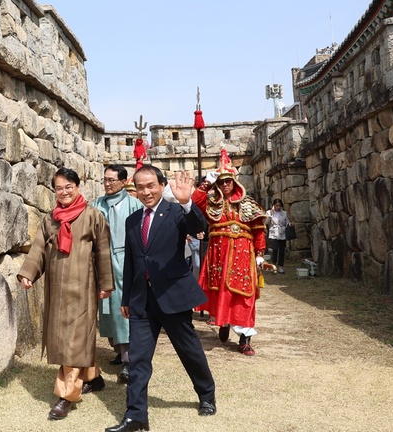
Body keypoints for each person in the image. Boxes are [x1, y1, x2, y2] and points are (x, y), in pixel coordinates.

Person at [105, 166, 216, 432]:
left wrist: (187, 201)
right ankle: (136, 417)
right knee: (138, 359)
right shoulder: (133, 220)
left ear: (161, 185)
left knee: (189, 350)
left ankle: (206, 394)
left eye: (151, 186)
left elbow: (200, 228)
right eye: (141, 187)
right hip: (142, 300)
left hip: (173, 296)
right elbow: (132, 260)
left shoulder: (176, 211)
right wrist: (127, 297)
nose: (146, 192)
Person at [17, 167, 114, 421]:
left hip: (84, 287)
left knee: (74, 337)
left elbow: (104, 251)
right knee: (67, 335)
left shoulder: (94, 216)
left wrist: (106, 283)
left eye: (68, 187)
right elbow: (38, 249)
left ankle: (66, 395)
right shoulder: (50, 219)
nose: (64, 192)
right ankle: (93, 376)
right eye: (59, 188)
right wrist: (29, 273)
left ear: (77, 187)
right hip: (57, 289)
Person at [192, 149, 267, 356]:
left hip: (243, 255)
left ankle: (245, 339)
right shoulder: (212, 203)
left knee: (244, 294)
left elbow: (258, 230)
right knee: (219, 291)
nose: (225, 185)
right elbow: (194, 199)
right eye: (221, 181)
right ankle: (223, 321)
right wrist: (207, 181)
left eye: (228, 181)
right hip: (218, 254)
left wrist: (260, 253)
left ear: (234, 181)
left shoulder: (248, 204)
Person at [92, 164, 143, 383]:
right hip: (102, 261)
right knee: (107, 308)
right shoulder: (97, 205)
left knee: (124, 308)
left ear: (123, 181)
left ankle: (129, 359)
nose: (107, 183)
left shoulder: (134, 205)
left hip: (125, 261)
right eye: (105, 179)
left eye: (111, 180)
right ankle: (118, 348)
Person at [266, 199, 291, 274]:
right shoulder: (269, 212)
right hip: (274, 233)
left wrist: (290, 224)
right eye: (276, 205)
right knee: (275, 249)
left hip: (282, 233)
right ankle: (273, 264)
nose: (278, 207)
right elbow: (266, 222)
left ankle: (281, 266)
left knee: (282, 251)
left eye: (279, 206)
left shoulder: (284, 213)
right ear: (274, 206)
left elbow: (287, 222)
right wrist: (271, 214)